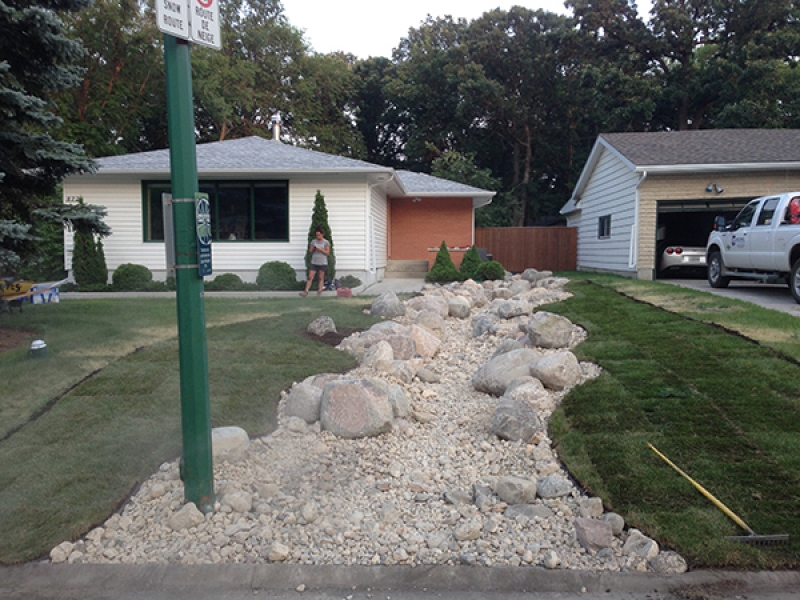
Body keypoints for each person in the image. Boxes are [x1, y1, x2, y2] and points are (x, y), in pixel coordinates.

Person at [300, 225, 330, 297]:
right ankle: (306, 291)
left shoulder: (326, 242)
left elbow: (327, 253)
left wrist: (320, 249)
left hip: (322, 262)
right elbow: (310, 251)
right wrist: (313, 249)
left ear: (322, 234)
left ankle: (319, 291)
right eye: (317, 235)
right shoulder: (313, 241)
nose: (318, 237)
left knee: (320, 277)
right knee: (310, 277)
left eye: (319, 235)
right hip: (314, 262)